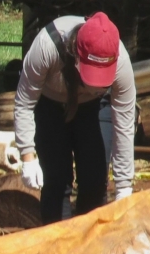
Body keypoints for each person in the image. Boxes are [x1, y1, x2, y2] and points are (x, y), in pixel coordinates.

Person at [14, 12, 136, 225]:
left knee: (95, 181)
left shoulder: (122, 63)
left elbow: (124, 123)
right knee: (57, 181)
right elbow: (24, 102)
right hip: (50, 104)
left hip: (96, 106)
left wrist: (124, 186)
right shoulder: (46, 46)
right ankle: (57, 247)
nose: (95, 82)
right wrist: (27, 155)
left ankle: (91, 248)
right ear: (76, 53)